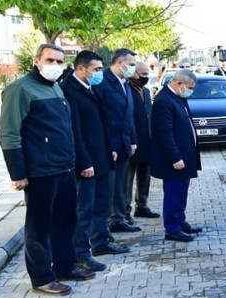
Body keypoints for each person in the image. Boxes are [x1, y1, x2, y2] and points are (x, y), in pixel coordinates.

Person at [0, 43, 95, 295]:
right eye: (50, 60)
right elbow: (8, 133)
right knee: (39, 226)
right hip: (40, 171)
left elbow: (65, 130)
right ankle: (42, 277)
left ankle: (65, 266)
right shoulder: (20, 89)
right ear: (36, 61)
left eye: (59, 61)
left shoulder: (55, 89)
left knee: (66, 220)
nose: (55, 66)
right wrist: (17, 173)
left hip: (63, 168)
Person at [61, 51, 131, 269]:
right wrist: (84, 161)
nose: (100, 73)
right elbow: (75, 131)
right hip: (87, 162)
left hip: (102, 157)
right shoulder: (69, 91)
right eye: (97, 70)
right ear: (81, 69)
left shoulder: (90, 88)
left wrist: (111, 149)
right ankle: (81, 253)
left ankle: (100, 241)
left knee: (101, 203)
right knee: (85, 208)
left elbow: (102, 122)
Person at [150, 69, 203, 242]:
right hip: (174, 159)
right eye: (189, 87)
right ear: (178, 83)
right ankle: (172, 228)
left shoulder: (178, 97)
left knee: (181, 192)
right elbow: (164, 132)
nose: (190, 91)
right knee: (174, 193)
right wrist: (175, 157)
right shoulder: (164, 100)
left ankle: (180, 222)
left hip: (185, 156)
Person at [93, 48, 141, 233]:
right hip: (110, 144)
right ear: (119, 62)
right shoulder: (103, 82)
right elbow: (102, 117)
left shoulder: (125, 83)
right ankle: (105, 225)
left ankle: (119, 218)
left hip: (125, 142)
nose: (133, 68)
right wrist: (108, 145)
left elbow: (129, 116)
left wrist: (133, 140)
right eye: (130, 64)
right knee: (109, 186)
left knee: (121, 184)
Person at [125, 62, 160, 220]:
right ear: (133, 73)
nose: (146, 77)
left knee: (144, 175)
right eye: (142, 74)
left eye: (147, 74)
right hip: (131, 141)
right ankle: (124, 211)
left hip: (147, 140)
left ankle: (142, 205)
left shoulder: (145, 91)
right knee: (127, 179)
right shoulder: (126, 89)